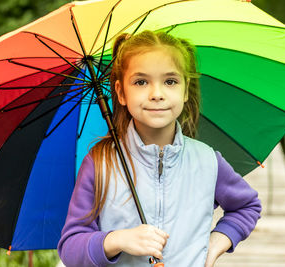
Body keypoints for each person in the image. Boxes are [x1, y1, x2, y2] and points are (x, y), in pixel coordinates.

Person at [58, 30, 261, 267]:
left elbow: (247, 206)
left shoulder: (207, 161)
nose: (157, 94)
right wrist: (116, 240)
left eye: (170, 81)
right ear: (121, 92)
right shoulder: (100, 162)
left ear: (186, 91)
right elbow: (70, 247)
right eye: (141, 82)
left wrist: (217, 242)